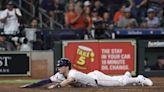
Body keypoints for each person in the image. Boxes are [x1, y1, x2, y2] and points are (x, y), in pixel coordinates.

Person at [20, 58, 153, 89]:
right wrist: (30, 85)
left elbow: (69, 81)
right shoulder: (60, 75)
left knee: (120, 83)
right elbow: (46, 81)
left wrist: (56, 87)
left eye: (60, 67)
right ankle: (127, 75)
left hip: (97, 80)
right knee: (116, 79)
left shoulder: (73, 72)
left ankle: (139, 78)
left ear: (66, 67)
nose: (58, 68)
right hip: (92, 76)